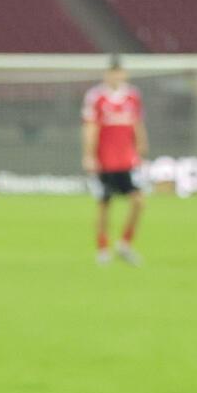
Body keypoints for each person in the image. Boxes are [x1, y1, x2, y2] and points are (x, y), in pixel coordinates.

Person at [81, 57, 147, 266]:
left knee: (138, 201)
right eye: (112, 72)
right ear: (106, 74)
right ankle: (102, 248)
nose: (116, 76)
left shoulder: (132, 96)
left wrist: (141, 147)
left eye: (119, 72)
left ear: (124, 74)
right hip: (105, 161)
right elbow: (90, 127)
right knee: (104, 204)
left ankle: (125, 244)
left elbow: (137, 123)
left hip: (127, 160)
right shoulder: (96, 97)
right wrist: (89, 156)